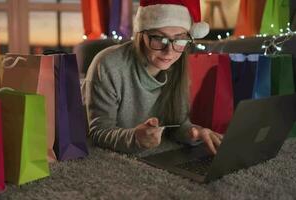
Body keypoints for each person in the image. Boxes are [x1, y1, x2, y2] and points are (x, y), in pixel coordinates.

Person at [82, 0, 223, 156]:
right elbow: (98, 133)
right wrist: (135, 138)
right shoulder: (108, 65)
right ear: (142, 35)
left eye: (180, 39)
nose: (169, 51)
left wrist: (195, 132)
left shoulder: (179, 65)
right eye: (159, 38)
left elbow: (177, 125)